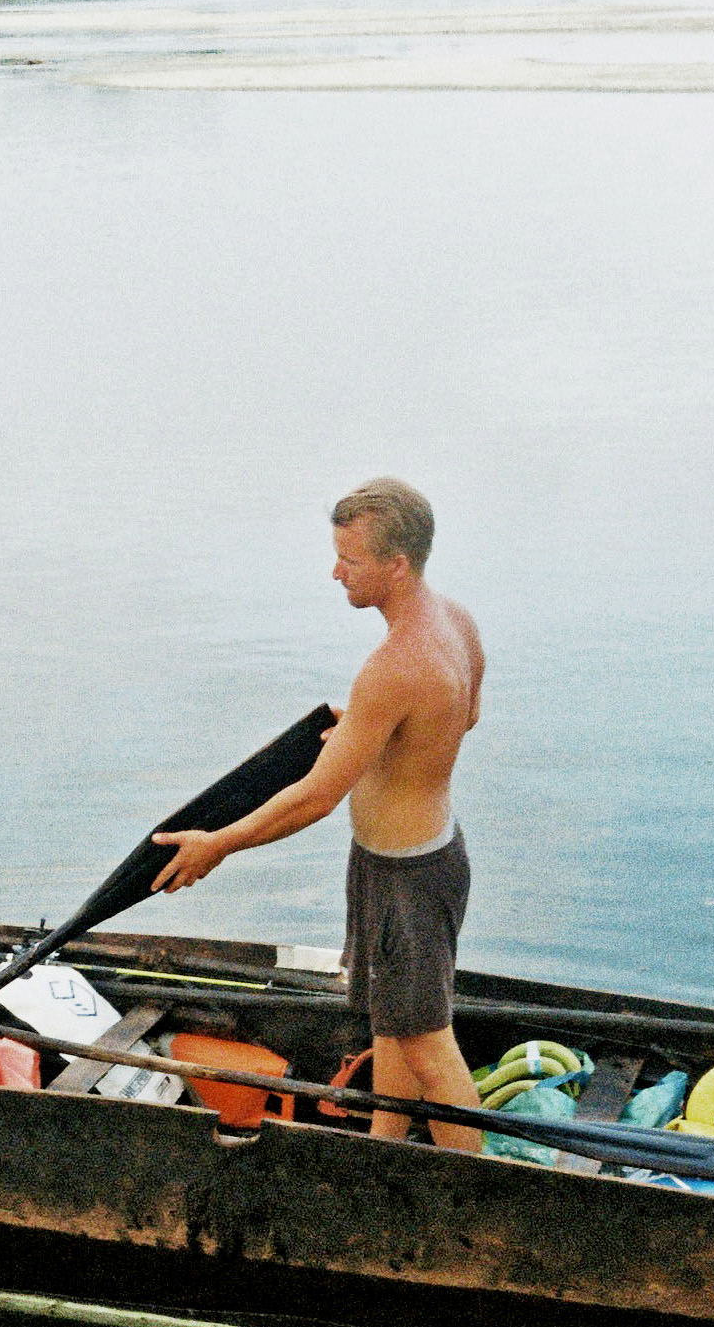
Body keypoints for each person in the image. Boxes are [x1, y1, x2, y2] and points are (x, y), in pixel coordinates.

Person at [150, 479, 486, 1149]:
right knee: (391, 1027)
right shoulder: (453, 621)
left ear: (396, 564)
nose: (335, 572)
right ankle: (381, 1150)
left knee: (426, 1047)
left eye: (350, 561)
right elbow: (463, 715)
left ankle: (478, 1207)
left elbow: (314, 797)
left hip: (405, 877)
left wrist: (218, 843)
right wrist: (378, 733)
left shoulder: (391, 666)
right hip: (430, 852)